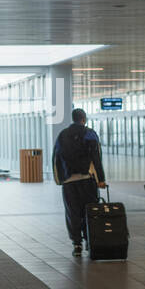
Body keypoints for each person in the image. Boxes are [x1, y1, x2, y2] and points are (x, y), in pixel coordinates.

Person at [53, 108, 107, 257]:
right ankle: (90, 240)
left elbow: (56, 157)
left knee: (73, 212)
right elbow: (96, 157)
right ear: (84, 119)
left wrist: (59, 179)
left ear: (73, 118)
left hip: (69, 182)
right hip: (87, 180)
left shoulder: (62, 135)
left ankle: (77, 244)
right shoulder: (89, 133)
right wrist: (101, 179)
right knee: (90, 210)